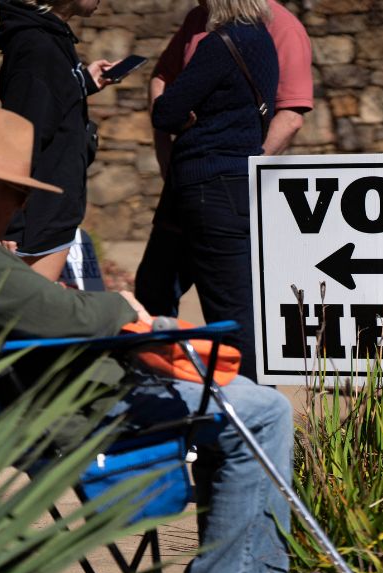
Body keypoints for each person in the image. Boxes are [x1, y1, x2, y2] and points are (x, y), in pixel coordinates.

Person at [0, 100, 292, 573]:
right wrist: (122, 307)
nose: (21, 209)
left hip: (26, 408)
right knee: (266, 411)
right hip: (83, 410)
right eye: (20, 194)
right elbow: (65, 317)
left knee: (232, 417)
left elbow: (39, 309)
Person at [135, 0, 312, 369]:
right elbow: (164, 79)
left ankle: (253, 412)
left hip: (213, 183)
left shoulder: (225, 41)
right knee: (158, 287)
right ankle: (165, 381)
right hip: (206, 185)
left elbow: (166, 111)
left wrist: (225, 151)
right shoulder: (259, 35)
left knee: (231, 312)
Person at [0, 0, 113, 282]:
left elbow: (50, 101)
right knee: (27, 320)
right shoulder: (37, 48)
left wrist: (82, 82)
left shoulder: (51, 38)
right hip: (39, 219)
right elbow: (21, 136)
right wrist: (11, 223)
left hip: (52, 210)